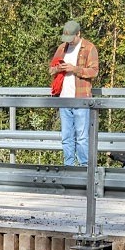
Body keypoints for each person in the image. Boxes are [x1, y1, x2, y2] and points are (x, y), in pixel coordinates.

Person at [49, 19, 100, 168]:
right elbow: (51, 70)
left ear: (79, 34)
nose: (69, 42)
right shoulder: (62, 48)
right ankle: (68, 166)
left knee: (82, 137)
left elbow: (94, 71)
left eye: (72, 38)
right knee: (66, 137)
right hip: (64, 99)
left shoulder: (89, 48)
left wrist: (74, 69)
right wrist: (60, 69)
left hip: (81, 99)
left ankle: (85, 168)